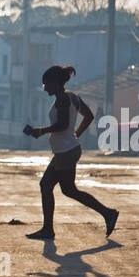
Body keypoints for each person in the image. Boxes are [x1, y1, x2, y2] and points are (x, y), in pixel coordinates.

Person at [23, 65, 118, 240]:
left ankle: (107, 213)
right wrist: (76, 134)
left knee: (63, 189)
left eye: (46, 84)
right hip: (66, 150)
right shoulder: (72, 97)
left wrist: (41, 131)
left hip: (66, 151)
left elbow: (62, 125)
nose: (44, 89)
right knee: (55, 187)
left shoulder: (62, 100)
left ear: (55, 83)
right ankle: (106, 214)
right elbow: (88, 116)